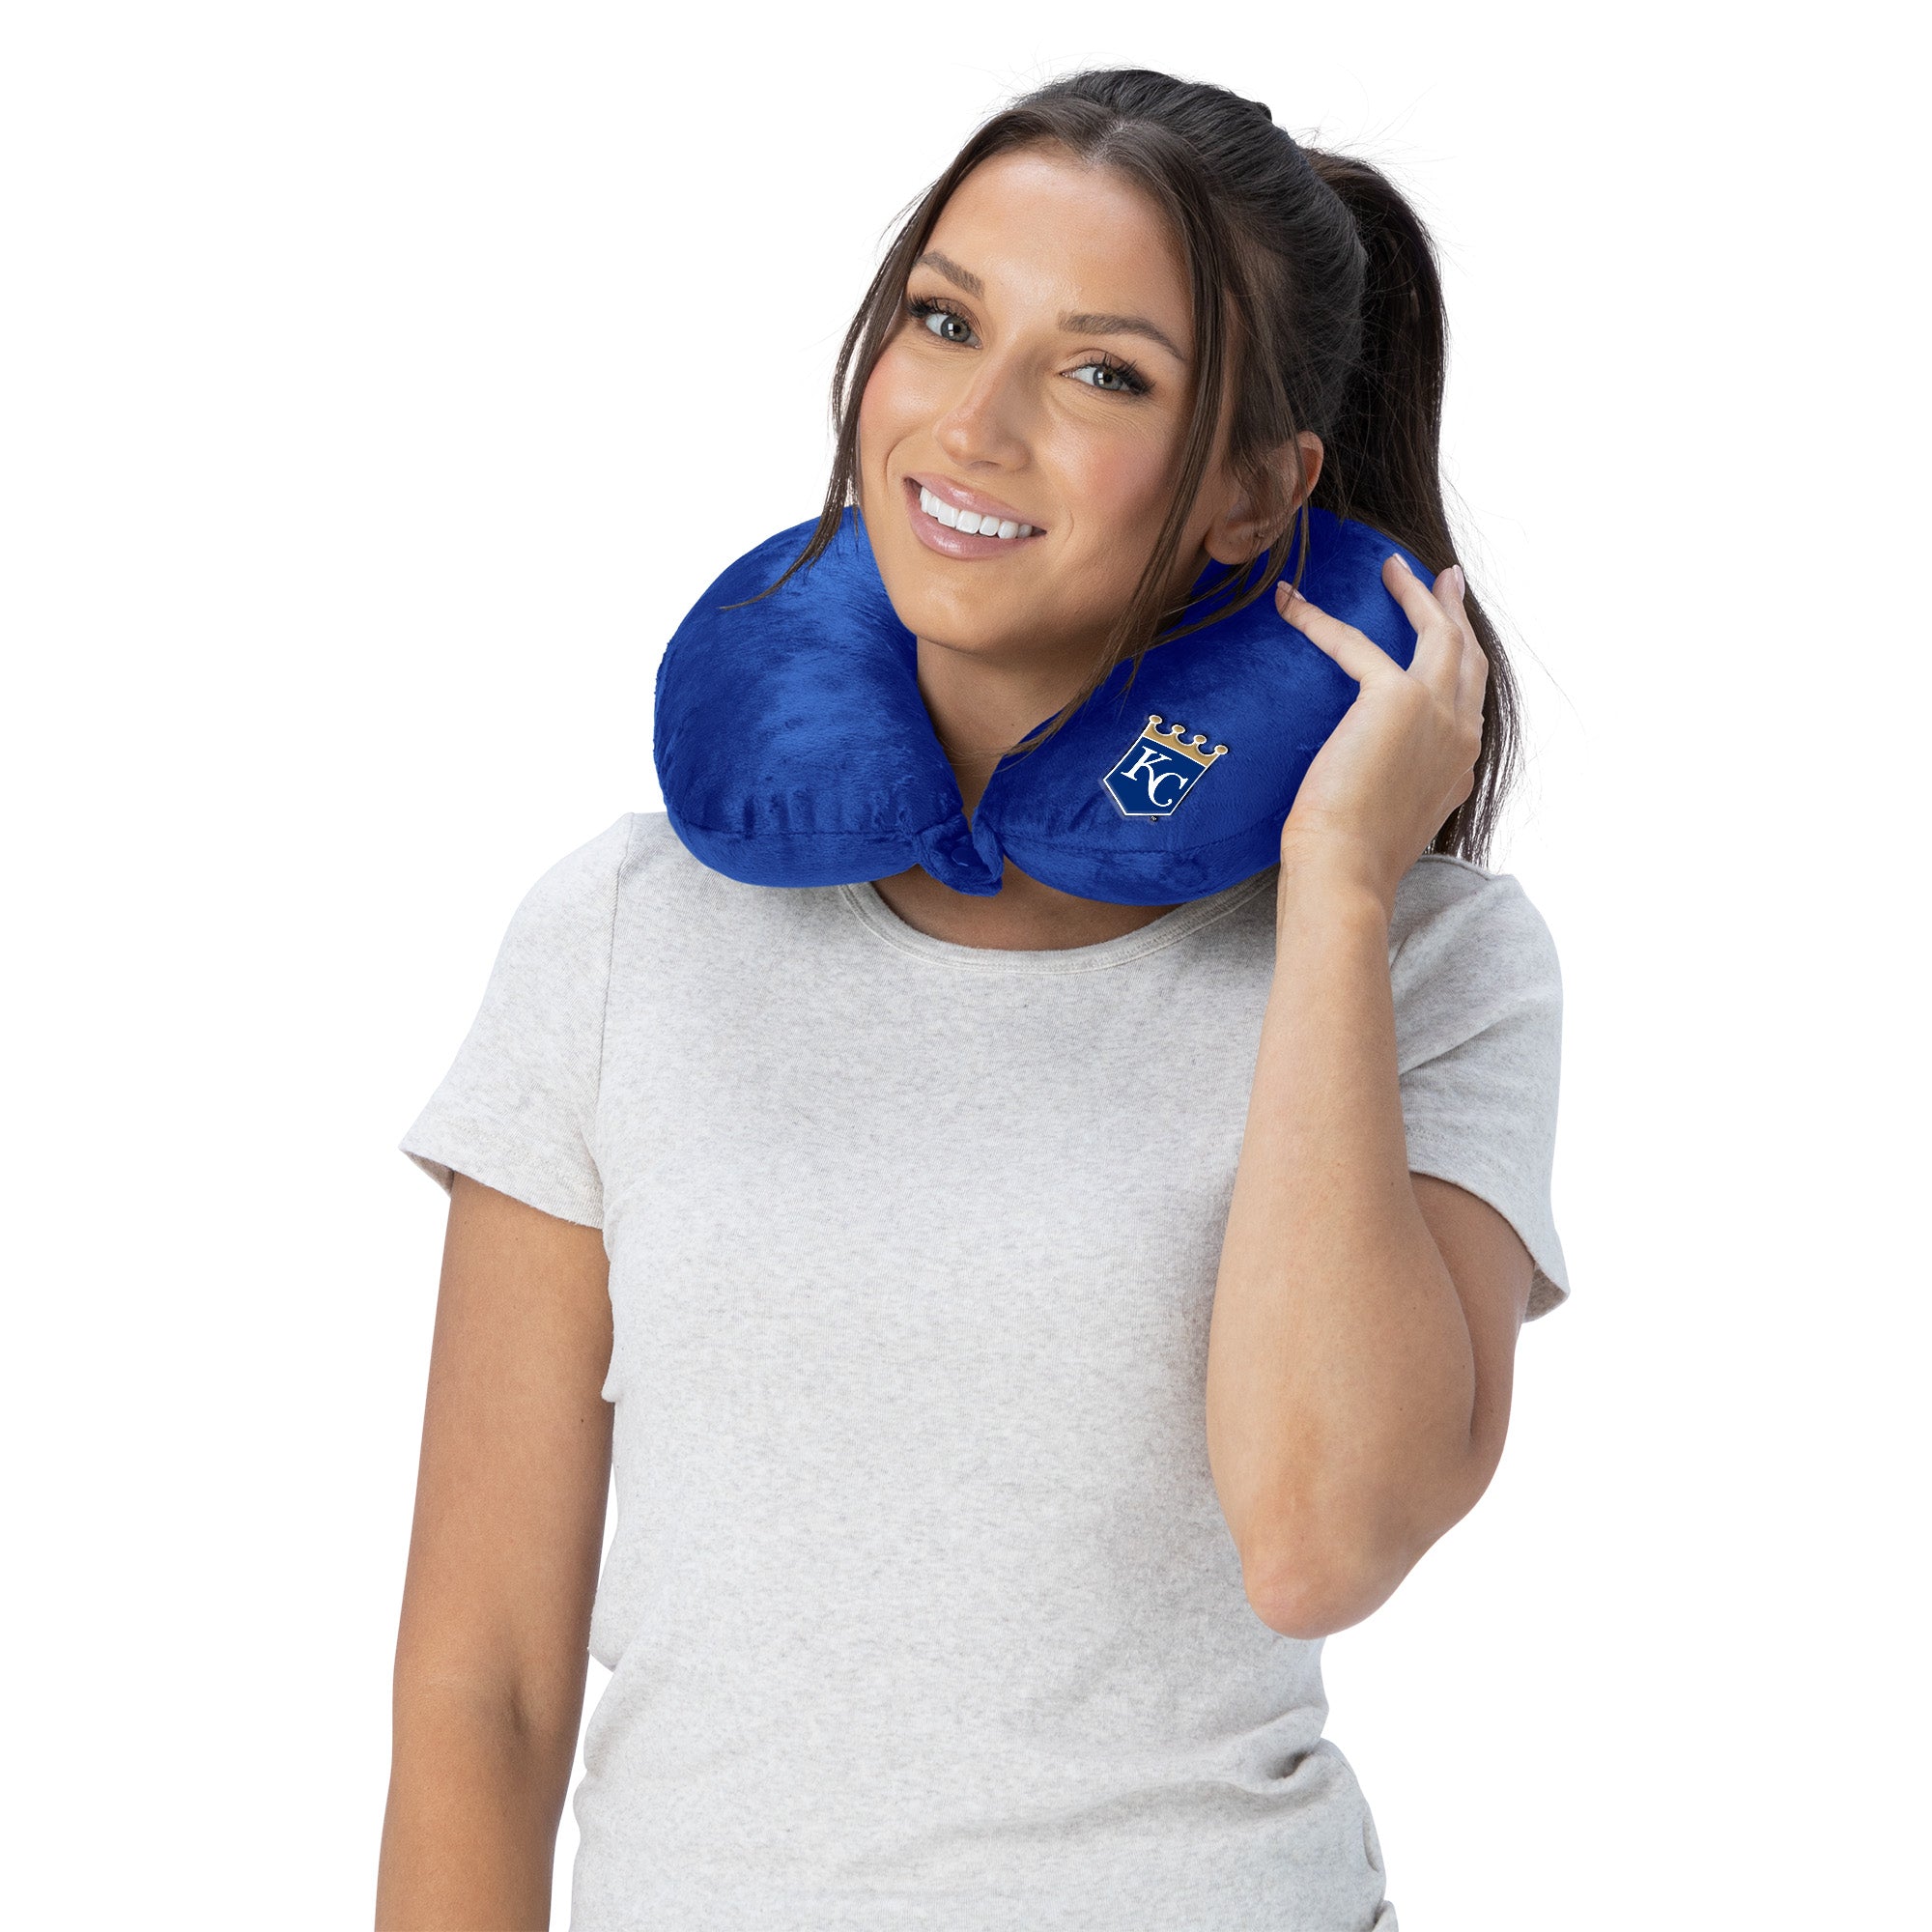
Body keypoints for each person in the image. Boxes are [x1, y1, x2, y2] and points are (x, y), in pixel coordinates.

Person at [374, 67, 1567, 1932]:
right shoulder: (623, 934)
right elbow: (486, 1690)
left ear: (1259, 492)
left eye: (1104, 373)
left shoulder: (1430, 963)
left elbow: (1320, 1538)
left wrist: (1336, 892)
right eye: (944, 321)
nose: (973, 424)